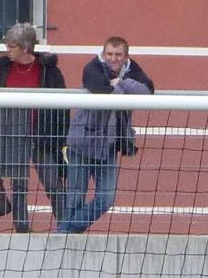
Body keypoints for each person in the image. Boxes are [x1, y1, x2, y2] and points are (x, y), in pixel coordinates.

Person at [59, 37, 155, 234]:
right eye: (109, 54)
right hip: (82, 141)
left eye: (118, 54)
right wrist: (125, 91)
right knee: (75, 198)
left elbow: (147, 91)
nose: (113, 58)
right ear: (104, 54)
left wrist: (121, 82)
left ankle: (66, 229)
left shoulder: (132, 70)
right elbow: (101, 91)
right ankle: (66, 236)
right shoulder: (92, 67)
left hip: (108, 147)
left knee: (107, 198)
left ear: (125, 56)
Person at [0, 22, 68, 233]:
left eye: (11, 46)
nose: (7, 50)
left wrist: (59, 137)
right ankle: (21, 227)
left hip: (41, 134)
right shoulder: (4, 68)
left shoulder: (48, 70)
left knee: (52, 182)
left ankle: (65, 225)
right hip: (12, 132)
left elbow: (62, 105)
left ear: (25, 48)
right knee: (18, 185)